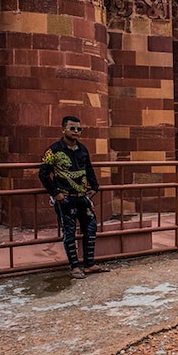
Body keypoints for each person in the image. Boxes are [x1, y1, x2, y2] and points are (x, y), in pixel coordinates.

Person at [39, 116, 108, 279]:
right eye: (72, 128)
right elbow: (43, 173)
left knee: (91, 229)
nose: (76, 132)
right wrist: (55, 193)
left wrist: (95, 187)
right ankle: (74, 267)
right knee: (69, 233)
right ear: (63, 129)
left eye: (79, 129)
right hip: (65, 198)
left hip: (82, 196)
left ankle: (89, 264)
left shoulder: (83, 149)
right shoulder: (53, 150)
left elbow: (89, 169)